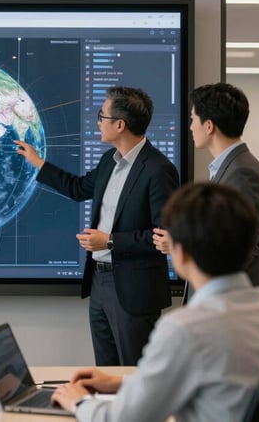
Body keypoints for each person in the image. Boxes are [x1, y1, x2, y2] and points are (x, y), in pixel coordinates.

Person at [49, 182, 259, 422]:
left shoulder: (185, 329)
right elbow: (223, 387)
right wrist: (121, 383)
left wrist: (78, 401)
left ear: (181, 254)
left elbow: (124, 419)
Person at [15, 86, 179, 366]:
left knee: (133, 373)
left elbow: (163, 235)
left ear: (120, 125)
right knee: (106, 371)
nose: (98, 122)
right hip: (100, 282)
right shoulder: (109, 161)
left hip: (134, 289)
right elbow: (78, 188)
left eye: (101, 116)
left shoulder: (157, 169)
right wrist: (38, 163)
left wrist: (110, 242)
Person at [152, 82, 259, 286]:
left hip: (230, 304)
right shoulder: (231, 166)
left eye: (192, 119)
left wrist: (180, 246)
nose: (190, 127)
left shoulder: (242, 173)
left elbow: (239, 249)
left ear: (209, 126)